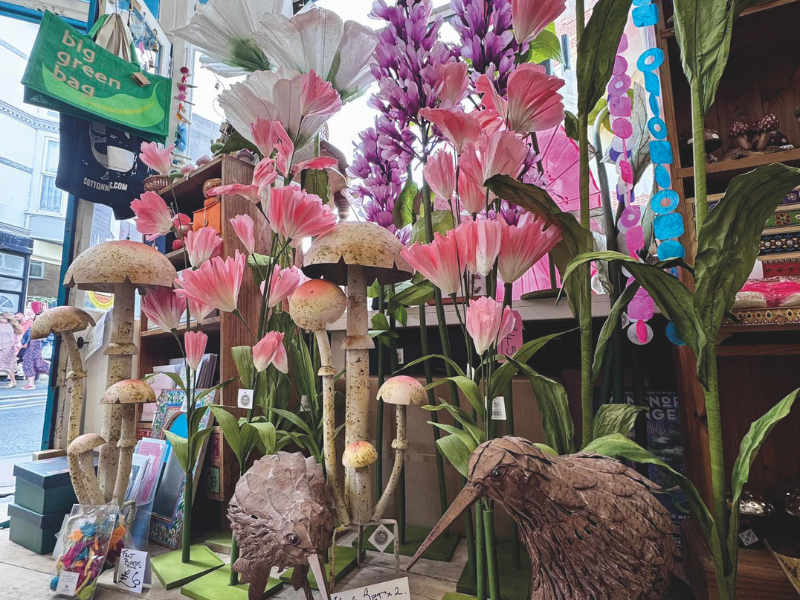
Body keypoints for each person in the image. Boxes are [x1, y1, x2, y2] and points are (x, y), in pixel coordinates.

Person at [21, 311, 50, 390]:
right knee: (27, 362)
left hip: (40, 348)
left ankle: (53, 373)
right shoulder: (31, 327)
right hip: (31, 347)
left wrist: (43, 339)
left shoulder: (47, 328)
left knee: (38, 363)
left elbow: (51, 338)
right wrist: (21, 343)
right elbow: (25, 336)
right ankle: (31, 383)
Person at [0, 313, 22, 388]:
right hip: (6, 347)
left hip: (7, 348)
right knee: (7, 366)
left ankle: (13, 381)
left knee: (7, 366)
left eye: (2, 318)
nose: (1, 320)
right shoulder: (9, 326)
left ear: (7, 318)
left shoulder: (10, 326)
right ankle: (13, 381)